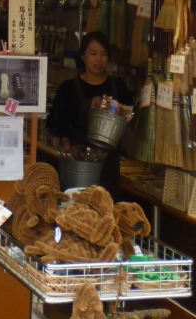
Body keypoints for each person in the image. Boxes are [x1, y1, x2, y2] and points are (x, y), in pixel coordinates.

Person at [48, 31, 133, 196]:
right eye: (93, 53)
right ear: (82, 56)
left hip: (109, 164)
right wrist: (67, 148)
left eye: (103, 54)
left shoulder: (118, 86)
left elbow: (129, 115)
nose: (98, 59)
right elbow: (57, 122)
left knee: (106, 205)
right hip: (79, 161)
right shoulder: (69, 88)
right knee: (79, 205)